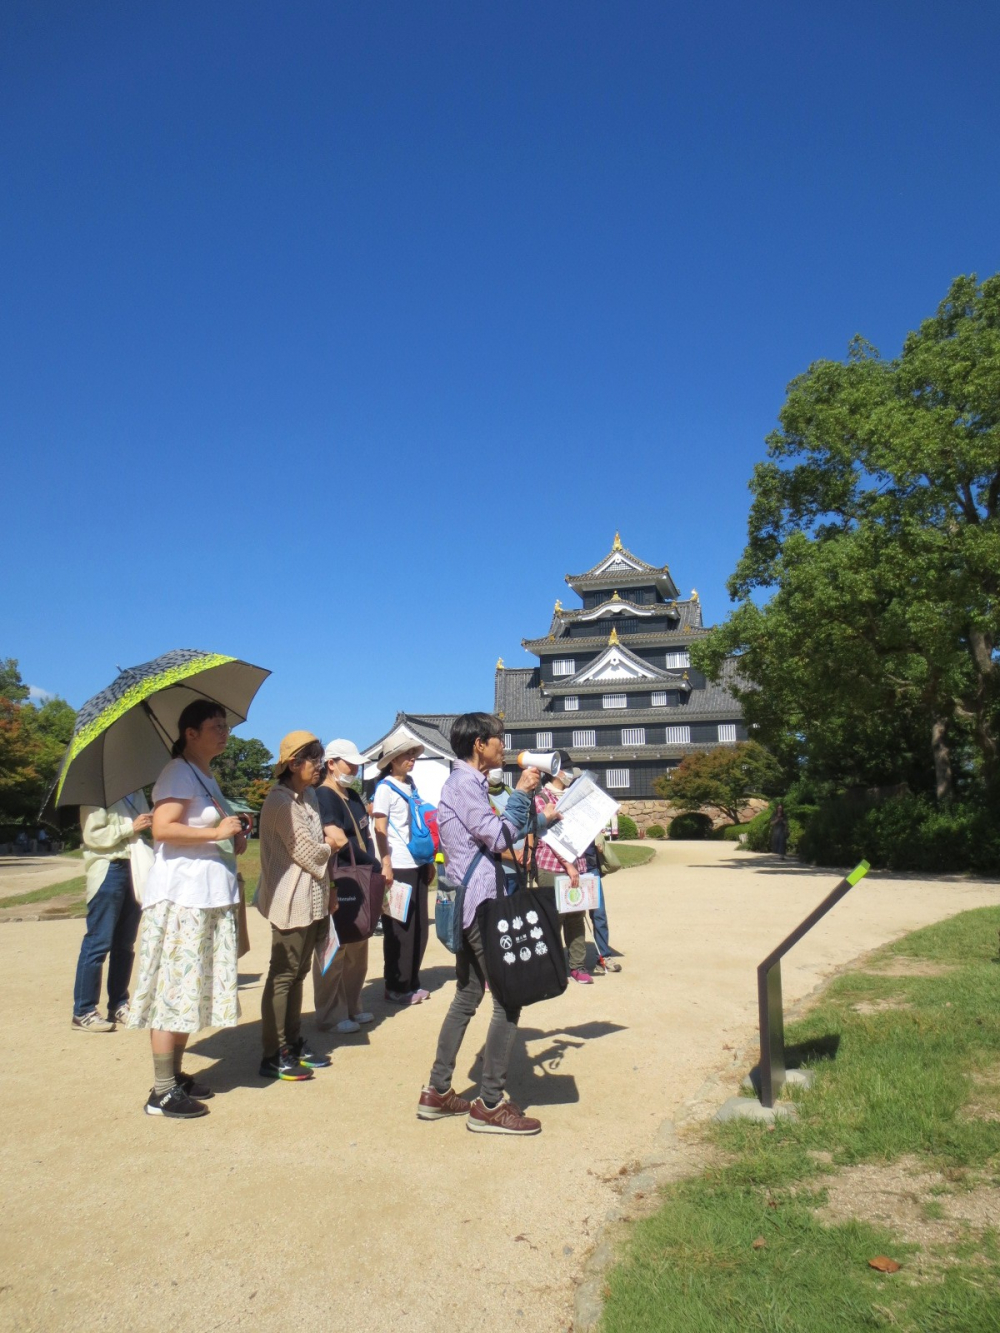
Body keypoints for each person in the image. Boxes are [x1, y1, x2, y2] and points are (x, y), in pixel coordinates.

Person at [418, 712, 561, 1136]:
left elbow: (499, 831)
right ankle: (491, 1104)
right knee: (509, 998)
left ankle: (438, 1092)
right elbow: (498, 839)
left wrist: (544, 820)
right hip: (481, 906)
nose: (505, 746)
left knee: (466, 995)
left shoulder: (467, 785)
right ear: (479, 744)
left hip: (470, 905)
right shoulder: (464, 784)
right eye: (499, 740)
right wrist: (520, 793)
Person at [128, 701, 247, 1119]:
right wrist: (216, 830)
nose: (224, 732)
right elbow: (162, 828)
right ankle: (161, 1092)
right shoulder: (178, 771)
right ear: (190, 733)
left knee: (189, 989)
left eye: (225, 725)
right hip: (183, 897)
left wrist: (231, 835)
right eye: (215, 726)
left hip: (205, 895)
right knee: (174, 991)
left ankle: (174, 1077)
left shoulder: (203, 773)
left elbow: (204, 830)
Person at [256, 732, 335, 1081]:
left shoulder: (310, 797)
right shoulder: (279, 802)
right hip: (289, 899)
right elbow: (307, 849)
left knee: (299, 973)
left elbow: (317, 846)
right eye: (313, 760)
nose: (319, 767)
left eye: (320, 759)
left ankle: (292, 1042)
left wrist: (330, 880)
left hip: (314, 897)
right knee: (283, 975)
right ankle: (274, 1053)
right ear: (293, 764)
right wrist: (331, 844)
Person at [312, 739, 377, 1034]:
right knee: (335, 946)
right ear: (331, 763)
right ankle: (330, 1012)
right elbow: (335, 837)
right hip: (339, 875)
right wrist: (372, 864)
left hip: (361, 875)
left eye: (356, 763)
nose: (354, 768)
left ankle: (353, 1005)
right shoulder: (324, 795)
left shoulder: (352, 794)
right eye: (349, 763)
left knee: (357, 943)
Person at [71, 792, 151, 1031]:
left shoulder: (135, 793)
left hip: (134, 868)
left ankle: (118, 1004)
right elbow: (93, 836)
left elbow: (141, 826)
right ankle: (83, 1011)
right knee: (98, 942)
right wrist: (130, 828)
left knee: (125, 944)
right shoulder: (96, 794)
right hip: (108, 869)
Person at [372, 728, 435, 1004]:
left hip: (418, 863)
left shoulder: (411, 786)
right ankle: (396, 984)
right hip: (398, 865)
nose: (412, 759)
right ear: (392, 759)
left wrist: (430, 860)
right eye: (406, 754)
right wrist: (385, 862)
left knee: (420, 927)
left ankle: (411, 981)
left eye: (413, 754)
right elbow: (379, 827)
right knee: (399, 927)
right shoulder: (385, 788)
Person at [532, 760, 592, 984]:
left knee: (576, 917)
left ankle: (577, 965)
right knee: (552, 919)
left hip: (579, 865)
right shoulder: (542, 799)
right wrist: (567, 864)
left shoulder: (575, 797)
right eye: (566, 771)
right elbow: (548, 834)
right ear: (555, 772)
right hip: (552, 865)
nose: (570, 775)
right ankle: (551, 967)